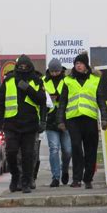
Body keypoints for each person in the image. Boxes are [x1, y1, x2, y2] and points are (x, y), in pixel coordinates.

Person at [0, 54, 47, 194]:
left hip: (30, 125)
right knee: (11, 153)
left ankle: (25, 182)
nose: (23, 69)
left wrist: (28, 89)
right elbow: (0, 103)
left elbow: (42, 101)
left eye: (26, 67)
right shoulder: (9, 80)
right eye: (21, 67)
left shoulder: (37, 81)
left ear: (30, 67)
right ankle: (15, 177)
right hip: (11, 124)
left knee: (28, 155)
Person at [56, 52, 107, 189]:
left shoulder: (95, 80)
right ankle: (76, 179)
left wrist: (104, 118)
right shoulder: (68, 80)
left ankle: (88, 178)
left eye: (80, 63)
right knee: (76, 148)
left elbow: (101, 100)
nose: (78, 66)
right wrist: (60, 120)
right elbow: (62, 102)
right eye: (76, 64)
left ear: (86, 65)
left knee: (91, 150)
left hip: (90, 119)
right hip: (73, 119)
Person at [43, 58, 72, 187]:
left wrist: (60, 97)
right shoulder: (43, 81)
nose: (54, 73)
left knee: (67, 150)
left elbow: (72, 96)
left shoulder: (67, 80)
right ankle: (55, 177)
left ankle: (64, 169)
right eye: (52, 71)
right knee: (54, 149)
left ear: (61, 70)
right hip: (50, 120)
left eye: (57, 71)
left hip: (65, 119)